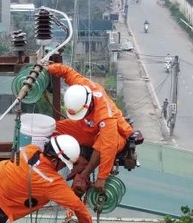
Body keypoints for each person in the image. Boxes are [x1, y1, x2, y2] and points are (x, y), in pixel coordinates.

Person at [45, 56, 135, 195]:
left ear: (89, 105)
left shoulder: (105, 114)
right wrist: (49, 68)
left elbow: (108, 146)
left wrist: (101, 177)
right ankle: (79, 161)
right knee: (52, 127)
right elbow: (67, 72)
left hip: (116, 134)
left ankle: (85, 173)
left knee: (101, 144)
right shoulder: (82, 85)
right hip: (89, 127)